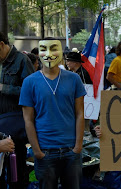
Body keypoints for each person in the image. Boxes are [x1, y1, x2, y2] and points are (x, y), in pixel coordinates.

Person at [19, 38, 86, 189]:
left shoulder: (74, 79)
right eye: (44, 49)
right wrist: (36, 150)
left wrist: (78, 146)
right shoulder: (29, 82)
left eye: (54, 48)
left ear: (62, 52)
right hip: (45, 152)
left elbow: (80, 113)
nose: (48, 54)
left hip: (71, 151)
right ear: (38, 53)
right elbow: (28, 119)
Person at [0, 32, 34, 189]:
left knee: (17, 170)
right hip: (1, 123)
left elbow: (31, 92)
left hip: (15, 124)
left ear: (1, 44)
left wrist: (3, 88)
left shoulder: (22, 60)